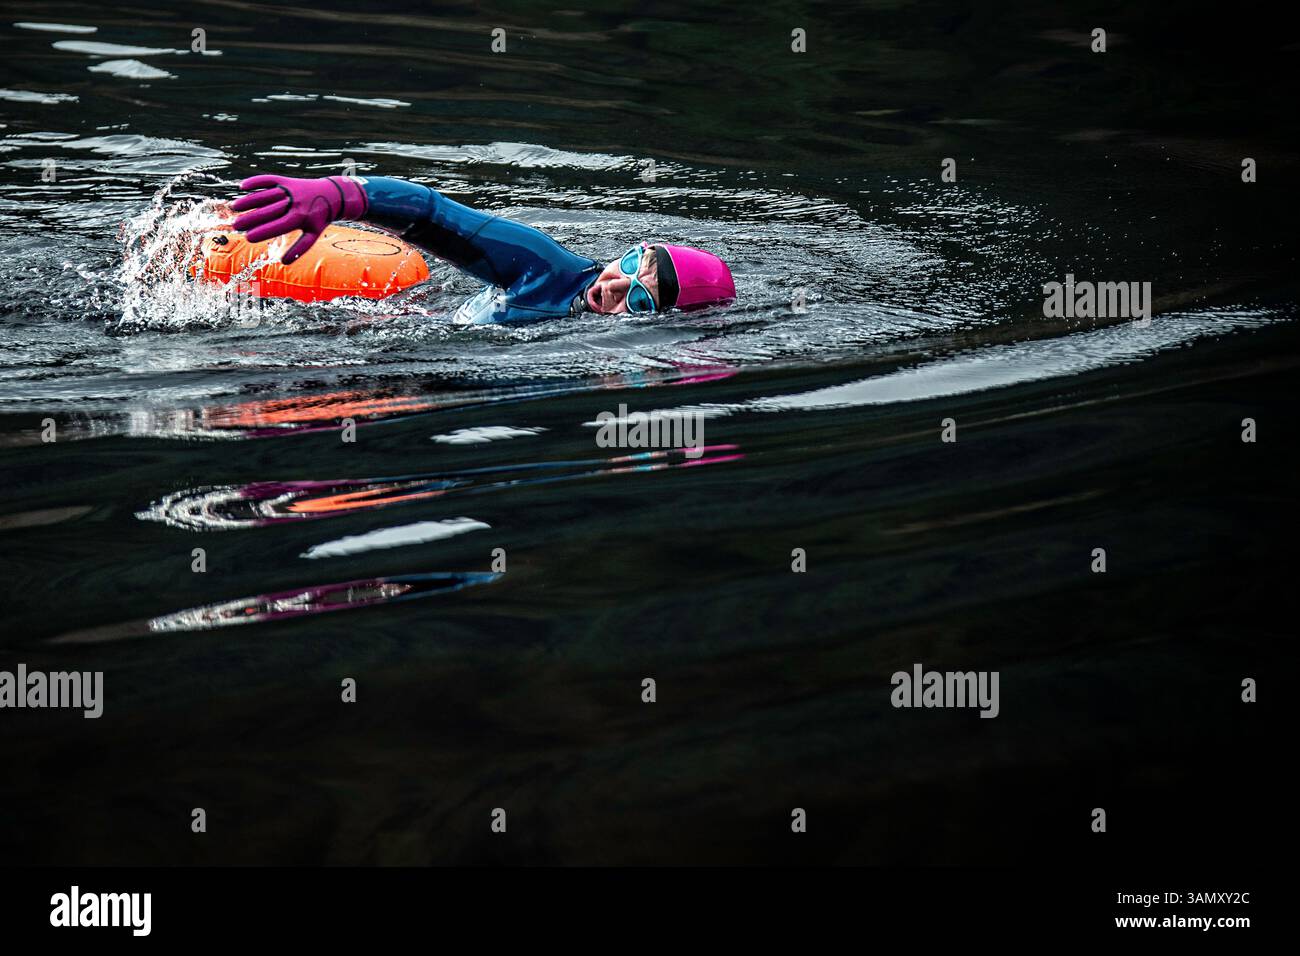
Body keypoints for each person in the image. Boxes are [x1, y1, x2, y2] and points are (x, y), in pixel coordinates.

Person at [229, 174, 736, 324]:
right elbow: (432, 214)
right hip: (403, 313)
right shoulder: (547, 269)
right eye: (629, 266)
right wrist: (344, 195)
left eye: (639, 302)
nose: (613, 287)